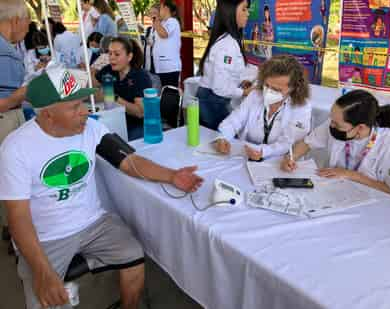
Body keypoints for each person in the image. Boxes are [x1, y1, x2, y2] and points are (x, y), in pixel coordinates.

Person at [0, 65, 203, 309]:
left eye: (83, 102)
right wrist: (42, 271)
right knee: (47, 297)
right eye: (74, 107)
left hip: (93, 223)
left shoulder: (91, 128)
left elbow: (129, 161)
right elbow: (18, 217)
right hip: (45, 237)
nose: (85, 111)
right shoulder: (16, 148)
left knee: (134, 255)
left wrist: (172, 176)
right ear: (47, 115)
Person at [280, 89, 390, 199]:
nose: (331, 125)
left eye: (337, 124)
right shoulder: (335, 124)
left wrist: (351, 175)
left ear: (360, 128)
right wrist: (291, 158)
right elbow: (307, 143)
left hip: (378, 203)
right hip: (338, 195)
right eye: (331, 120)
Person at [215, 55, 311, 161]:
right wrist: (223, 137)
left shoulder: (302, 107)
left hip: (279, 161)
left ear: (293, 88)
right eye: (267, 85)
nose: (268, 92)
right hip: (246, 155)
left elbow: (289, 142)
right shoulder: (255, 95)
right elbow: (234, 120)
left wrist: (263, 152)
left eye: (277, 89)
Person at [0, 0, 30, 254]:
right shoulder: (5, 53)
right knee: (13, 176)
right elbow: (6, 99)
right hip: (6, 120)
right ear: (15, 21)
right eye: (28, 21)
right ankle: (16, 233)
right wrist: (22, 94)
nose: (29, 27)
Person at [197, 0, 253, 130]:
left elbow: (224, 74)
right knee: (219, 143)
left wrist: (239, 82)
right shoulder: (227, 45)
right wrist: (244, 92)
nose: (247, 14)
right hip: (213, 103)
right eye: (244, 9)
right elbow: (220, 88)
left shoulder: (228, 40)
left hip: (212, 101)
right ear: (230, 12)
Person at [94, 37, 151, 141]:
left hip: (135, 126)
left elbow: (140, 112)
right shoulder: (108, 70)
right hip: (112, 120)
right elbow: (94, 87)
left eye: (116, 54)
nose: (111, 58)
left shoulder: (140, 76)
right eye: (109, 53)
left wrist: (114, 98)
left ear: (129, 57)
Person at [152, 0, 182, 88]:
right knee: (164, 93)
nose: (158, 11)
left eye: (160, 8)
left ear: (166, 8)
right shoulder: (163, 23)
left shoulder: (172, 21)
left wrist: (156, 20)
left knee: (170, 94)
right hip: (161, 66)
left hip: (169, 67)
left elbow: (164, 34)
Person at [143, 5, 159, 73]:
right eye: (151, 13)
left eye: (155, 13)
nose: (152, 15)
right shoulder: (149, 29)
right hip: (147, 66)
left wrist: (154, 44)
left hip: (158, 68)